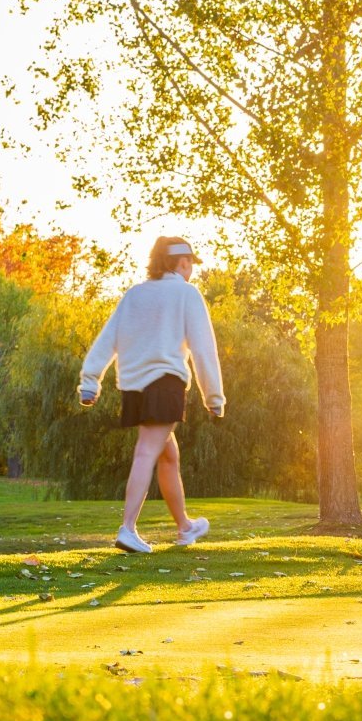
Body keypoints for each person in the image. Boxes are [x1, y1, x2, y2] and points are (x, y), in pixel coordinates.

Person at [78, 236, 226, 553]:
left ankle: (185, 527)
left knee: (167, 455)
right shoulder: (186, 294)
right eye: (190, 265)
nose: (191, 272)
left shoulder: (135, 294)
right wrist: (214, 398)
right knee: (147, 450)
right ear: (182, 262)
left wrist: (90, 381)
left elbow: (108, 339)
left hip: (134, 388)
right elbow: (203, 350)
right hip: (165, 383)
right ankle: (127, 529)